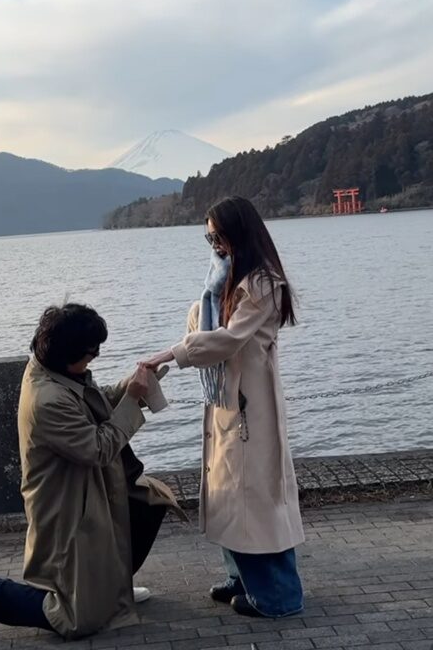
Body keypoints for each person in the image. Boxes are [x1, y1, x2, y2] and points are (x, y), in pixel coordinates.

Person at [0, 303, 182, 642]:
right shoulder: (47, 399)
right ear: (68, 353)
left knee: (148, 504)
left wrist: (134, 384)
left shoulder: (58, 372)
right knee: (77, 619)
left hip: (89, 487)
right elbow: (98, 447)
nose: (94, 358)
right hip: (66, 502)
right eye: (91, 353)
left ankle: (112, 591)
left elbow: (96, 402)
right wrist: (133, 399)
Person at [142, 196, 305, 618]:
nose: (215, 246)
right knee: (230, 496)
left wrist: (170, 354)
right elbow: (205, 327)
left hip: (252, 408)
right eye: (209, 238)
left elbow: (227, 340)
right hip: (228, 404)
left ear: (239, 234)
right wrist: (201, 308)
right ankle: (241, 578)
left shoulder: (262, 283)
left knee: (256, 500)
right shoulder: (224, 280)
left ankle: (278, 596)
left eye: (219, 237)